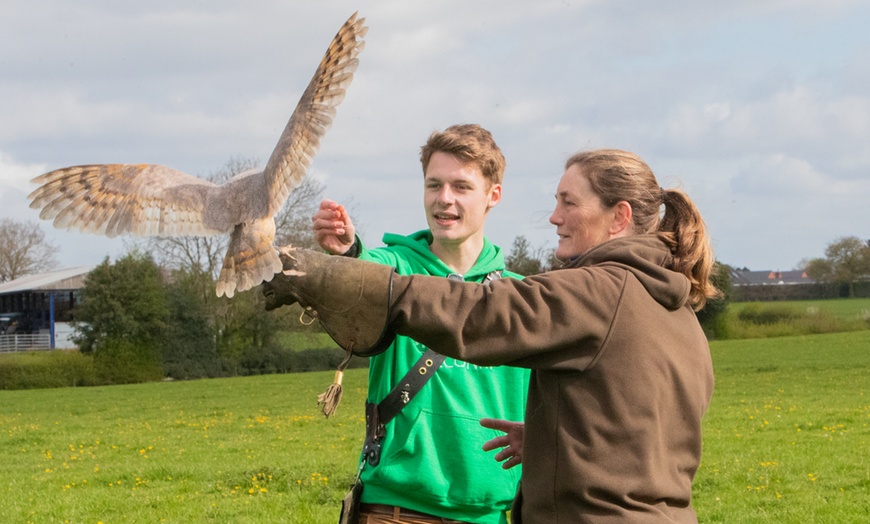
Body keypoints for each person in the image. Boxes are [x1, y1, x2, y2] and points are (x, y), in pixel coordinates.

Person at [263, 148, 720, 523]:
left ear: (618, 217)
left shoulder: (600, 290)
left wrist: (339, 280)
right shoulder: (678, 314)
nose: (554, 218)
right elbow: (640, 433)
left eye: (569, 202)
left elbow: (482, 313)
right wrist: (548, 439)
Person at [311, 124, 530, 524]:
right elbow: (362, 278)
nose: (444, 199)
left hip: (491, 515)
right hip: (397, 511)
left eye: (461, 187)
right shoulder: (393, 266)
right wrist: (347, 251)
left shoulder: (523, 297)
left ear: (492, 195)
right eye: (434, 185)